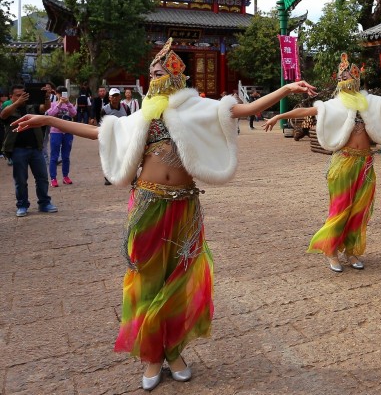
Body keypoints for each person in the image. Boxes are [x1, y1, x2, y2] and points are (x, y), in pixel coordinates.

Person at [12, 38, 316, 390]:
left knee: (180, 279)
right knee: (147, 280)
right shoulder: (141, 115)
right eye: (151, 71)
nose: (153, 76)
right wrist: (48, 121)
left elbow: (243, 111)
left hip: (185, 204)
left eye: (159, 71)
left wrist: (288, 87)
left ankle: (174, 351)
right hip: (147, 205)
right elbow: (100, 132)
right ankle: (152, 355)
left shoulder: (196, 109)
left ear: (174, 76)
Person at [265, 53, 381, 273]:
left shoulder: (371, 102)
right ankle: (331, 251)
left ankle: (351, 250)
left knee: (359, 210)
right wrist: (277, 117)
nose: (348, 86)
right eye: (344, 82)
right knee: (339, 209)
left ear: (357, 83)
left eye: (351, 82)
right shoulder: (333, 105)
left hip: (365, 164)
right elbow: (306, 110)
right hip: (343, 162)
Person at [1, 85, 58, 217]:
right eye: (17, 95)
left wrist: (47, 97)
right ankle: (22, 205)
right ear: (12, 96)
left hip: (36, 149)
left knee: (42, 178)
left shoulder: (31, 107)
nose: (21, 97)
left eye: (23, 94)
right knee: (20, 180)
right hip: (18, 150)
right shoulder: (9, 109)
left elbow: (45, 108)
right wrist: (17, 103)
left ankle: (44, 203)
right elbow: (3, 115)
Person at [45, 88, 77, 187]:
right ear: (57, 94)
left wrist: (68, 104)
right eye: (59, 94)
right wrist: (59, 104)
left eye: (63, 93)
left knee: (66, 156)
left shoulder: (69, 104)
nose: (62, 95)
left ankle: (65, 176)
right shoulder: (53, 104)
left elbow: (74, 113)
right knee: (54, 156)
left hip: (68, 132)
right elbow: (49, 114)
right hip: (55, 132)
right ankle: (53, 178)